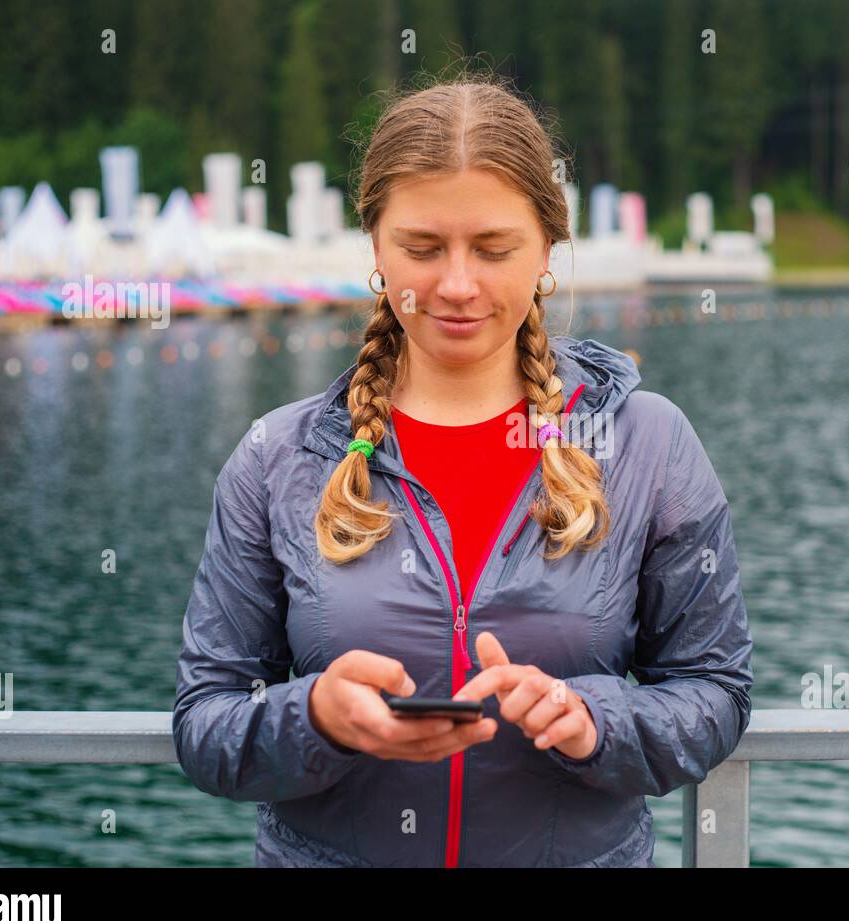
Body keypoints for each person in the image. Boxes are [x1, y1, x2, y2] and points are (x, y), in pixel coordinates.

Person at [173, 73, 753, 867]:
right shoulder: (278, 457)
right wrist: (316, 718)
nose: (455, 285)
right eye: (421, 247)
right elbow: (205, 723)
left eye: (492, 248)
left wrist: (594, 722)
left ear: (548, 249)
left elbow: (714, 691)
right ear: (375, 245)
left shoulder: (647, 442)